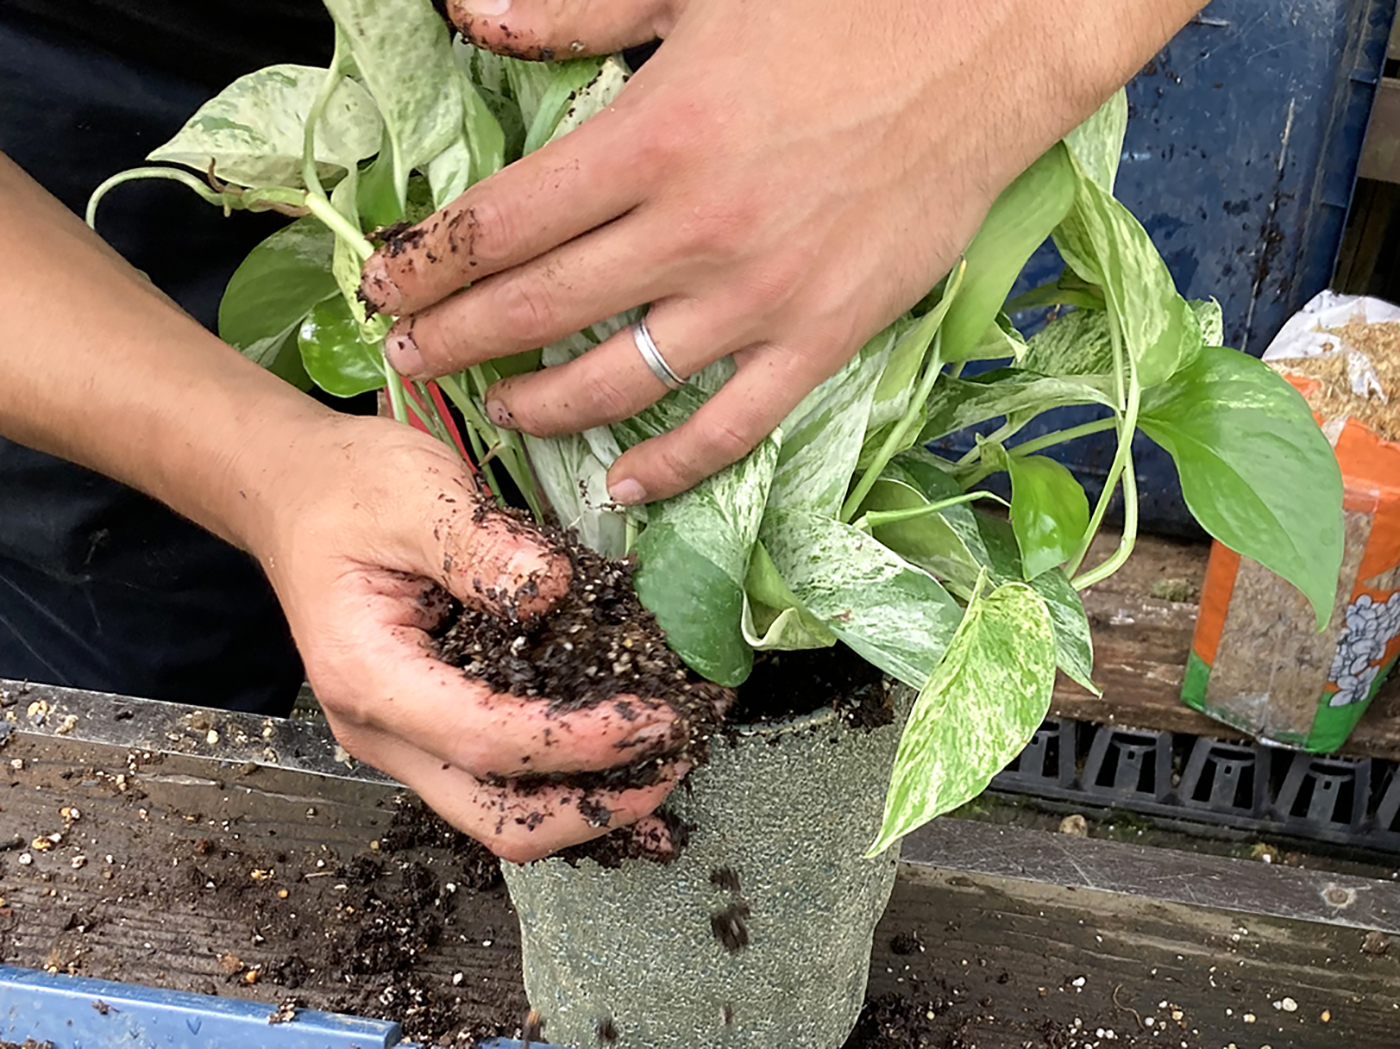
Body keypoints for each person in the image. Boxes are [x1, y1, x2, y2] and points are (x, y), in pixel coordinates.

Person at [0, 0, 1203, 861]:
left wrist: (989, 38)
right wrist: (261, 465)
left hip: (822, 117)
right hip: (110, 288)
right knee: (197, 813)